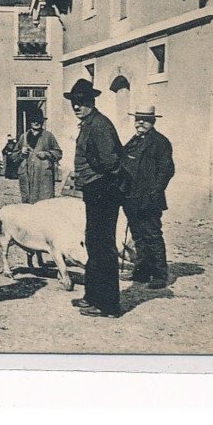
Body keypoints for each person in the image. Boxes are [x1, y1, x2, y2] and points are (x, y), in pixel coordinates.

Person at [65, 78, 124, 318]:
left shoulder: (99, 125)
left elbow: (110, 161)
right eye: (74, 103)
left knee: (103, 246)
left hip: (104, 190)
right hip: (95, 189)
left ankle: (108, 305)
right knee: (93, 243)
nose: (77, 107)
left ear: (91, 101)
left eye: (81, 102)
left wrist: (92, 170)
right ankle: (93, 296)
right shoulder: (89, 123)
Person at [120, 104, 175, 290]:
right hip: (131, 197)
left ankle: (160, 275)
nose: (140, 122)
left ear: (153, 121)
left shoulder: (160, 142)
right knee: (138, 235)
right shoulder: (134, 141)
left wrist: (154, 193)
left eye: (145, 119)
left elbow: (167, 171)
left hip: (149, 198)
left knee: (152, 235)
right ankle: (142, 271)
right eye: (138, 119)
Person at [13, 108, 62, 203]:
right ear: (30, 122)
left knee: (45, 204)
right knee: (28, 204)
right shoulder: (24, 137)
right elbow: (14, 156)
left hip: (43, 177)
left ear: (42, 122)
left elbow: (58, 153)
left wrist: (47, 154)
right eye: (33, 120)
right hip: (27, 176)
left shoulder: (48, 136)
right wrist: (21, 153)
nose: (36, 123)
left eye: (39, 120)